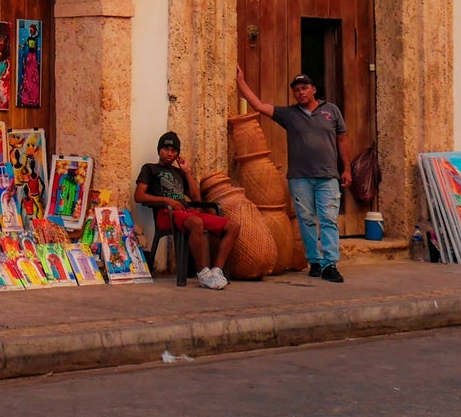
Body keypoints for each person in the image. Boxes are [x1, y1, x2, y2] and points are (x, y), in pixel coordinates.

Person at [237, 68, 350, 283]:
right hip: (300, 178)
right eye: (296, 90)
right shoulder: (289, 114)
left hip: (328, 176)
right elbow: (259, 106)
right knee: (306, 220)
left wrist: (347, 168)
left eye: (304, 88)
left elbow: (342, 140)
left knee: (328, 220)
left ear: (313, 90)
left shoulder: (331, 111)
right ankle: (314, 262)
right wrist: (241, 82)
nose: (300, 92)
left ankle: (330, 264)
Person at [134, 132, 239, 289]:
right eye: (166, 149)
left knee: (233, 226)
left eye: (174, 150)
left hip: (186, 213)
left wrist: (187, 172)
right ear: (159, 150)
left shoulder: (179, 173)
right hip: (166, 213)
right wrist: (167, 200)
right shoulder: (150, 169)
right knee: (196, 223)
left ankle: (216, 271)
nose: (170, 153)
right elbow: (139, 195)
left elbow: (196, 197)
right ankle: (203, 273)